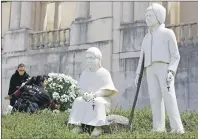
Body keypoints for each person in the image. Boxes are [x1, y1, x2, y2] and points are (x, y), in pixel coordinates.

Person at [134, 3, 184, 134]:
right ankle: (158, 127)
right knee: (154, 98)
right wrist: (138, 74)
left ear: (159, 16)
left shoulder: (168, 33)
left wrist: (171, 71)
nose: (147, 18)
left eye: (150, 15)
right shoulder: (146, 38)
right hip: (149, 69)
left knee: (169, 96)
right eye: (146, 15)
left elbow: (175, 55)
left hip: (164, 68)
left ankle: (177, 128)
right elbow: (141, 59)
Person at [68, 47, 118, 137]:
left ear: (98, 60)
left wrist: (95, 94)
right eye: (87, 58)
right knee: (78, 101)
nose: (89, 60)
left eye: (92, 58)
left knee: (97, 102)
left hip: (102, 99)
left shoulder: (104, 73)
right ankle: (77, 125)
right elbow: (79, 88)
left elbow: (108, 90)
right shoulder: (84, 73)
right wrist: (84, 94)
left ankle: (98, 127)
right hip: (87, 97)